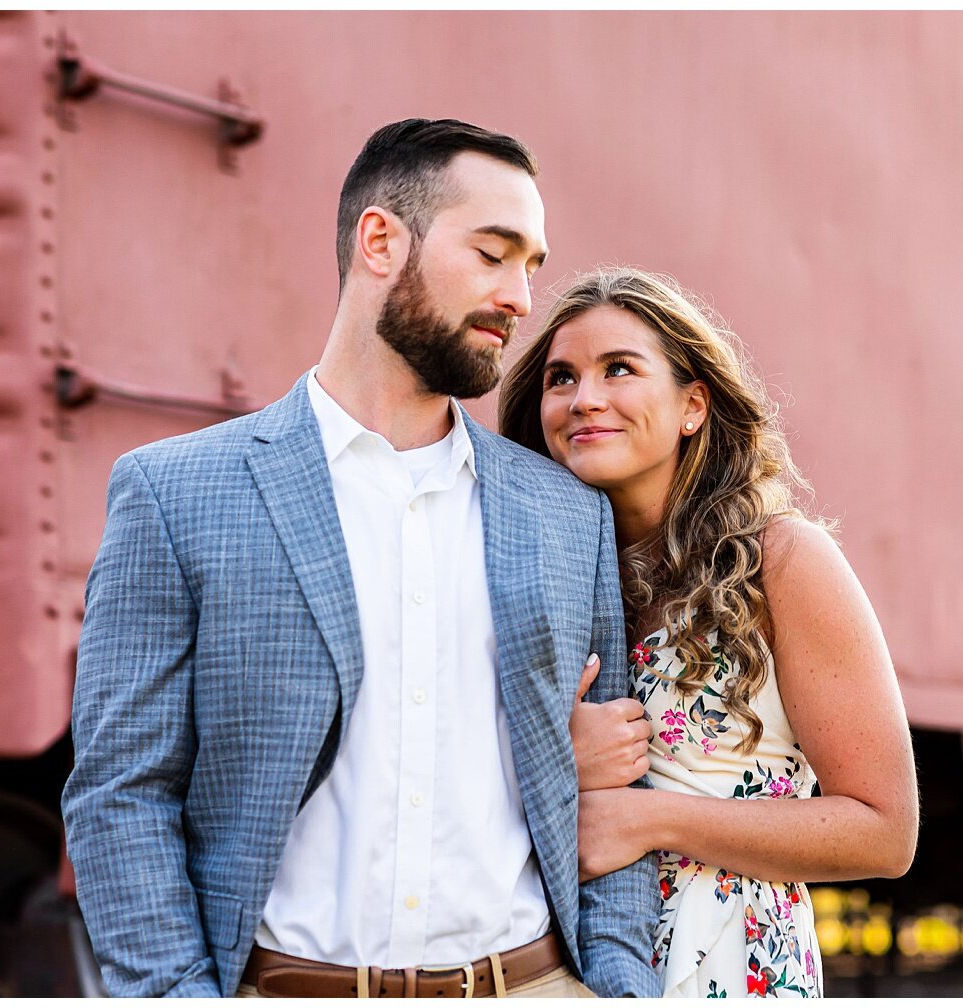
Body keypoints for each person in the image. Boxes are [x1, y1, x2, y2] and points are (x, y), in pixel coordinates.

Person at [61, 120, 660, 998]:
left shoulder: (566, 514)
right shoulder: (176, 494)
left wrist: (620, 988)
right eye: (494, 254)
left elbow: (616, 794)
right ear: (380, 241)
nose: (523, 298)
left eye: (532, 265)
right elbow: (122, 793)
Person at [499, 267, 919, 998]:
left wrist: (649, 818)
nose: (583, 399)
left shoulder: (782, 560)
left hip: (730, 963)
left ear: (693, 404)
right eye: (559, 378)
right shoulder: (533, 573)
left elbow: (885, 831)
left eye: (618, 369)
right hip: (562, 960)